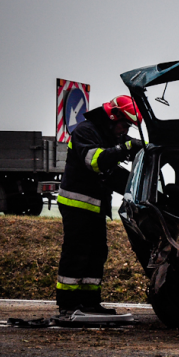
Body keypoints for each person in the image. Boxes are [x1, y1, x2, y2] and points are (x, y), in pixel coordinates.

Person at [55, 95, 144, 315]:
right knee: (77, 253)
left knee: (97, 253)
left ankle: (89, 303)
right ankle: (68, 305)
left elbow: (112, 173)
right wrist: (125, 148)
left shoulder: (108, 136)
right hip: (77, 204)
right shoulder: (85, 131)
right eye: (124, 125)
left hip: (95, 206)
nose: (125, 131)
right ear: (113, 117)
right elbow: (95, 162)